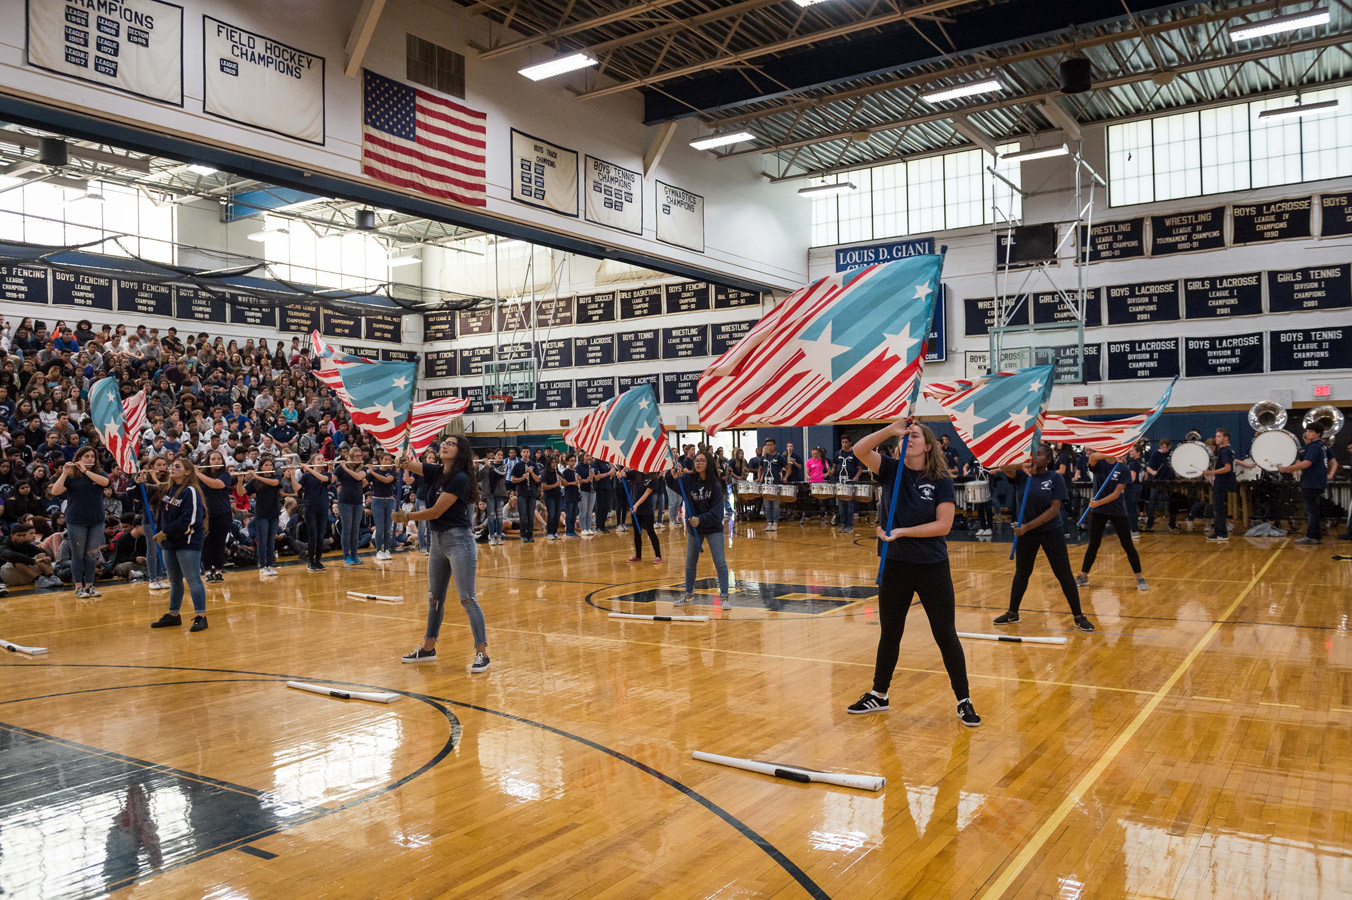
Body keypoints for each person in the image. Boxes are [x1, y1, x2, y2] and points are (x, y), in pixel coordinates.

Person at [845, 420, 978, 727]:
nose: (909, 438)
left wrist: (902, 531)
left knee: (945, 633)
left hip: (932, 565)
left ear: (928, 446)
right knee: (890, 632)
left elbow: (942, 525)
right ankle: (879, 694)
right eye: (906, 435)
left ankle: (964, 699)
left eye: (915, 435)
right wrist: (891, 430)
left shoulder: (941, 478)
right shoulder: (891, 469)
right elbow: (860, 449)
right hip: (895, 565)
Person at [395, 436, 489, 673]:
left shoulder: (460, 478)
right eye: (444, 442)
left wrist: (408, 517)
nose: (444, 445)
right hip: (437, 542)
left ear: (461, 453)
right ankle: (428, 647)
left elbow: (436, 512)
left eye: (451, 444)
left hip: (459, 541)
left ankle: (482, 653)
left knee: (468, 598)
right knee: (434, 598)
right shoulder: (436, 471)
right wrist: (401, 459)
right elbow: (409, 465)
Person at [994, 446, 1094, 631]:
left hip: (1050, 531)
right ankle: (1012, 613)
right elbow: (1003, 465)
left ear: (1048, 459)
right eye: (1032, 454)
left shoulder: (1055, 478)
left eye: (1038, 454)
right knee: (1022, 574)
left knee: (1063, 575)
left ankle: (1079, 616)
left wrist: (1027, 527)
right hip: (1025, 533)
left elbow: (1054, 510)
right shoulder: (1023, 476)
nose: (1034, 457)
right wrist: (1022, 464)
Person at [150, 458, 208, 632]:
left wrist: (165, 532)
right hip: (170, 541)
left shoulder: (190, 491)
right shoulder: (169, 488)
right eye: (172, 466)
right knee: (174, 580)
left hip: (187, 541)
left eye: (177, 467)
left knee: (193, 579)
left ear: (188, 471)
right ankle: (173, 615)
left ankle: (201, 616)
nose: (172, 469)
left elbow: (190, 519)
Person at [666, 449, 730, 606]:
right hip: (695, 529)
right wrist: (672, 473)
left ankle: (724, 597)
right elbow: (671, 483)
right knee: (690, 562)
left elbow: (717, 512)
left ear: (708, 463)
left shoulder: (715, 484)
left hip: (712, 527)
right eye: (696, 460)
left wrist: (700, 519)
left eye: (702, 460)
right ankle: (688, 595)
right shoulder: (688, 480)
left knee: (720, 562)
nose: (698, 463)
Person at [1076, 452, 1147, 590]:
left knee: (1127, 545)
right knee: (1093, 544)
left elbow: (1116, 494)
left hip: (1117, 511)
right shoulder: (1099, 464)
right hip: (1099, 512)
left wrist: (1098, 503)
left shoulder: (1123, 469)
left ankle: (1140, 578)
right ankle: (1083, 576)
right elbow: (1091, 458)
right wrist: (1109, 453)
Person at [49, 445, 108, 598]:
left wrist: (86, 471)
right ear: (79, 458)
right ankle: (78, 587)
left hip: (96, 519)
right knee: (78, 555)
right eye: (86, 456)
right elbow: (55, 491)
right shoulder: (71, 476)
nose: (90, 459)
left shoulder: (98, 473)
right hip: (76, 520)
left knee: (92, 554)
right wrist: (64, 473)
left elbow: (105, 483)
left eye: (92, 457)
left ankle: (90, 586)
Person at [1280, 424, 1333, 545]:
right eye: (1307, 431)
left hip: (1311, 482)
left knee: (1311, 511)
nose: (1308, 433)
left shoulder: (1314, 447)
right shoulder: (1321, 446)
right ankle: (1316, 535)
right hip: (1317, 481)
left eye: (1311, 431)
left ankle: (1312, 536)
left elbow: (1306, 463)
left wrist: (1286, 469)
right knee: (1313, 510)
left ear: (1318, 434)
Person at [196, 450, 233, 583]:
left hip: (223, 514)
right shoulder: (200, 476)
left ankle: (218, 571)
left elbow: (216, 484)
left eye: (219, 459)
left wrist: (198, 473)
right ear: (208, 461)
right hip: (205, 516)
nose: (216, 461)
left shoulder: (225, 475)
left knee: (219, 543)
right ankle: (207, 572)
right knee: (206, 544)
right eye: (213, 459)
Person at [291, 460, 331, 571]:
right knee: (313, 536)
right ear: (313, 461)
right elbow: (296, 488)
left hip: (323, 509)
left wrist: (308, 469)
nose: (321, 461)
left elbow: (323, 480)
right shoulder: (306, 476)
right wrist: (292, 476)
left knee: (320, 537)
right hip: (310, 509)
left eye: (322, 459)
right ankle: (311, 562)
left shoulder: (326, 474)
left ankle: (318, 561)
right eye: (319, 459)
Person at [246, 459, 282, 576]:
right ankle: (262, 566)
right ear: (261, 467)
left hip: (274, 513)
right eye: (266, 465)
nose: (269, 466)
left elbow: (274, 483)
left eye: (270, 465)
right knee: (262, 540)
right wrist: (241, 480)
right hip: (262, 514)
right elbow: (242, 492)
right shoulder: (255, 481)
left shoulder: (276, 476)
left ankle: (270, 565)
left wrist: (256, 476)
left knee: (271, 541)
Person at [333, 448, 367, 565]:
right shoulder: (341, 468)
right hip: (345, 502)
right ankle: (346, 556)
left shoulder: (363, 468)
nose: (358, 458)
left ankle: (354, 555)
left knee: (355, 530)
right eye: (356, 456)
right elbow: (331, 480)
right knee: (347, 530)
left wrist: (345, 468)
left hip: (358, 502)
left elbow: (358, 477)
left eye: (360, 456)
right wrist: (329, 469)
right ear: (351, 457)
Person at [1202, 429, 1237, 542]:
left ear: (1225, 438)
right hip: (1224, 482)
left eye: (1218, 436)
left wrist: (1211, 472)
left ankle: (1221, 533)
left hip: (1221, 482)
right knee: (1219, 508)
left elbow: (1227, 468)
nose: (1216, 438)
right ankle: (1221, 532)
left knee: (1218, 509)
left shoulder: (1224, 451)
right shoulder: (1229, 450)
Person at [0, 521, 58, 589]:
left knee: (41, 555)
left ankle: (51, 576)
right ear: (11, 535)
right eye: (19, 535)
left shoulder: (25, 544)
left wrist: (49, 558)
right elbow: (11, 555)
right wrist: (33, 561)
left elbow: (41, 551)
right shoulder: (3, 544)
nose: (22, 538)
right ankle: (38, 579)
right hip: (7, 576)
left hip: (25, 575)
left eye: (24, 535)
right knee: (17, 560)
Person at [624, 468, 663, 565]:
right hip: (635, 510)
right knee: (637, 533)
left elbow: (647, 493)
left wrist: (636, 505)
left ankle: (658, 556)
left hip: (646, 509)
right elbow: (624, 474)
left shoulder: (653, 477)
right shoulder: (635, 473)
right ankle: (638, 556)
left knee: (651, 532)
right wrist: (620, 474)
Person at [1143, 438, 1177, 532]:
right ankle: (1149, 525)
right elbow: (1148, 467)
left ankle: (1172, 524)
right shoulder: (1155, 454)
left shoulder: (1172, 453)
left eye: (1166, 447)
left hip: (1169, 481)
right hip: (1157, 482)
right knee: (1152, 503)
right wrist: (1153, 472)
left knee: (1172, 503)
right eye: (1163, 447)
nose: (1165, 449)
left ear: (1170, 446)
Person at [752, 438, 786, 531]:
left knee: (775, 504)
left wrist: (785, 476)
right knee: (766, 504)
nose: (769, 447)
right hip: (766, 484)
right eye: (767, 445)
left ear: (774, 445)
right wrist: (759, 478)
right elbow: (760, 468)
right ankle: (769, 522)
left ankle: (775, 522)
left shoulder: (779, 457)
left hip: (776, 483)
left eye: (771, 445)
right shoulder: (764, 457)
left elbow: (787, 467)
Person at [369, 452, 398, 560]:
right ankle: (378, 551)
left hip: (389, 501)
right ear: (380, 460)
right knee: (380, 527)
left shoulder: (392, 472)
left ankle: (386, 549)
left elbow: (386, 480)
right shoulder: (374, 472)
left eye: (389, 460)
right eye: (385, 459)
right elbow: (363, 482)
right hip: (377, 501)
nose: (388, 462)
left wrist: (371, 471)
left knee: (387, 528)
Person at [835, 435, 860, 533]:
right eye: (843, 442)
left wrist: (856, 477)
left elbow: (859, 469)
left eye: (846, 442)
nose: (844, 444)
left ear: (850, 443)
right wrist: (830, 472)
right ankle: (842, 524)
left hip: (850, 481)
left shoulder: (854, 454)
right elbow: (834, 467)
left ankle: (850, 525)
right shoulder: (838, 454)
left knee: (850, 505)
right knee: (841, 506)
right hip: (840, 482)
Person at [540, 455, 562, 541]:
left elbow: (563, 482)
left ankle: (555, 531)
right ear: (549, 463)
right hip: (549, 496)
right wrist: (555, 485)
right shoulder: (545, 473)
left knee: (557, 514)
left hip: (558, 495)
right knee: (551, 514)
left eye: (555, 462)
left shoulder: (557, 472)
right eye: (552, 462)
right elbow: (543, 486)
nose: (554, 464)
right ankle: (549, 532)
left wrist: (562, 480)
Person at [560, 454, 581, 537]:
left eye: (574, 461)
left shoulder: (576, 472)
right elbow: (563, 483)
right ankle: (568, 530)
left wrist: (580, 480)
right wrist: (573, 483)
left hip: (576, 494)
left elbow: (580, 483)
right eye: (571, 461)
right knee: (569, 514)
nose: (573, 462)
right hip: (569, 495)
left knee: (574, 514)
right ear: (567, 462)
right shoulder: (565, 472)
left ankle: (572, 530)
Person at [577, 452, 596, 536]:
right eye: (586, 456)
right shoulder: (579, 467)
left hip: (592, 490)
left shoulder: (592, 466)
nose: (588, 457)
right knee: (583, 510)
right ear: (582, 457)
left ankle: (588, 528)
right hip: (583, 490)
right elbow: (578, 481)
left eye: (589, 456)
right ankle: (583, 528)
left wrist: (594, 476)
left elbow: (596, 478)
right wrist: (586, 480)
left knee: (590, 511)